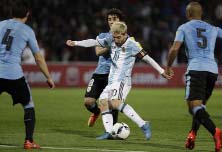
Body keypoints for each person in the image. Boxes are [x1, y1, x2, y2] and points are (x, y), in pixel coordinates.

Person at [66, 21, 171, 140]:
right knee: (103, 102)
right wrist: (75, 43)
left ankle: (144, 124)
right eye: (114, 37)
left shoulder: (133, 45)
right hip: (111, 80)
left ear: (125, 34)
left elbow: (148, 59)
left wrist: (161, 71)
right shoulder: (111, 39)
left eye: (118, 37)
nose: (115, 40)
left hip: (123, 81)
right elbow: (94, 42)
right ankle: (109, 132)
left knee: (115, 103)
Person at [164, 2, 222, 152]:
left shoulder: (183, 27)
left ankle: (216, 131)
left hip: (196, 69)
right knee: (200, 107)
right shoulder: (213, 29)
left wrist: (169, 66)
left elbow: (175, 48)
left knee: (194, 107)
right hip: (212, 71)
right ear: (201, 14)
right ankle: (192, 134)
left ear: (188, 14)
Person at [0, 0, 55, 149]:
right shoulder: (27, 31)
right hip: (14, 75)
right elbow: (38, 57)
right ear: (27, 14)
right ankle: (29, 141)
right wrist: (48, 77)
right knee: (28, 104)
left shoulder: (0, 25)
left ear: (11, 13)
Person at [68, 8, 125, 127]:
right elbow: (98, 52)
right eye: (109, 19)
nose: (111, 21)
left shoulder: (126, 38)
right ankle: (96, 111)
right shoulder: (103, 36)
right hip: (99, 73)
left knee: (111, 102)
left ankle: (113, 130)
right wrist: (111, 45)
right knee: (88, 102)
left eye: (114, 19)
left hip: (114, 75)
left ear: (120, 21)